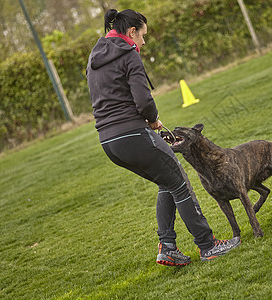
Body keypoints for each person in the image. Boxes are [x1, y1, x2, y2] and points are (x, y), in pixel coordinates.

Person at [86, 8, 240, 266]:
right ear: (131, 31)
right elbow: (143, 100)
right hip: (131, 132)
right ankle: (208, 245)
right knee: (179, 180)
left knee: (166, 181)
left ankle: (168, 247)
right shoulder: (128, 53)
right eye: (143, 36)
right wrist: (152, 118)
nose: (144, 42)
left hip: (108, 141)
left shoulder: (95, 56)